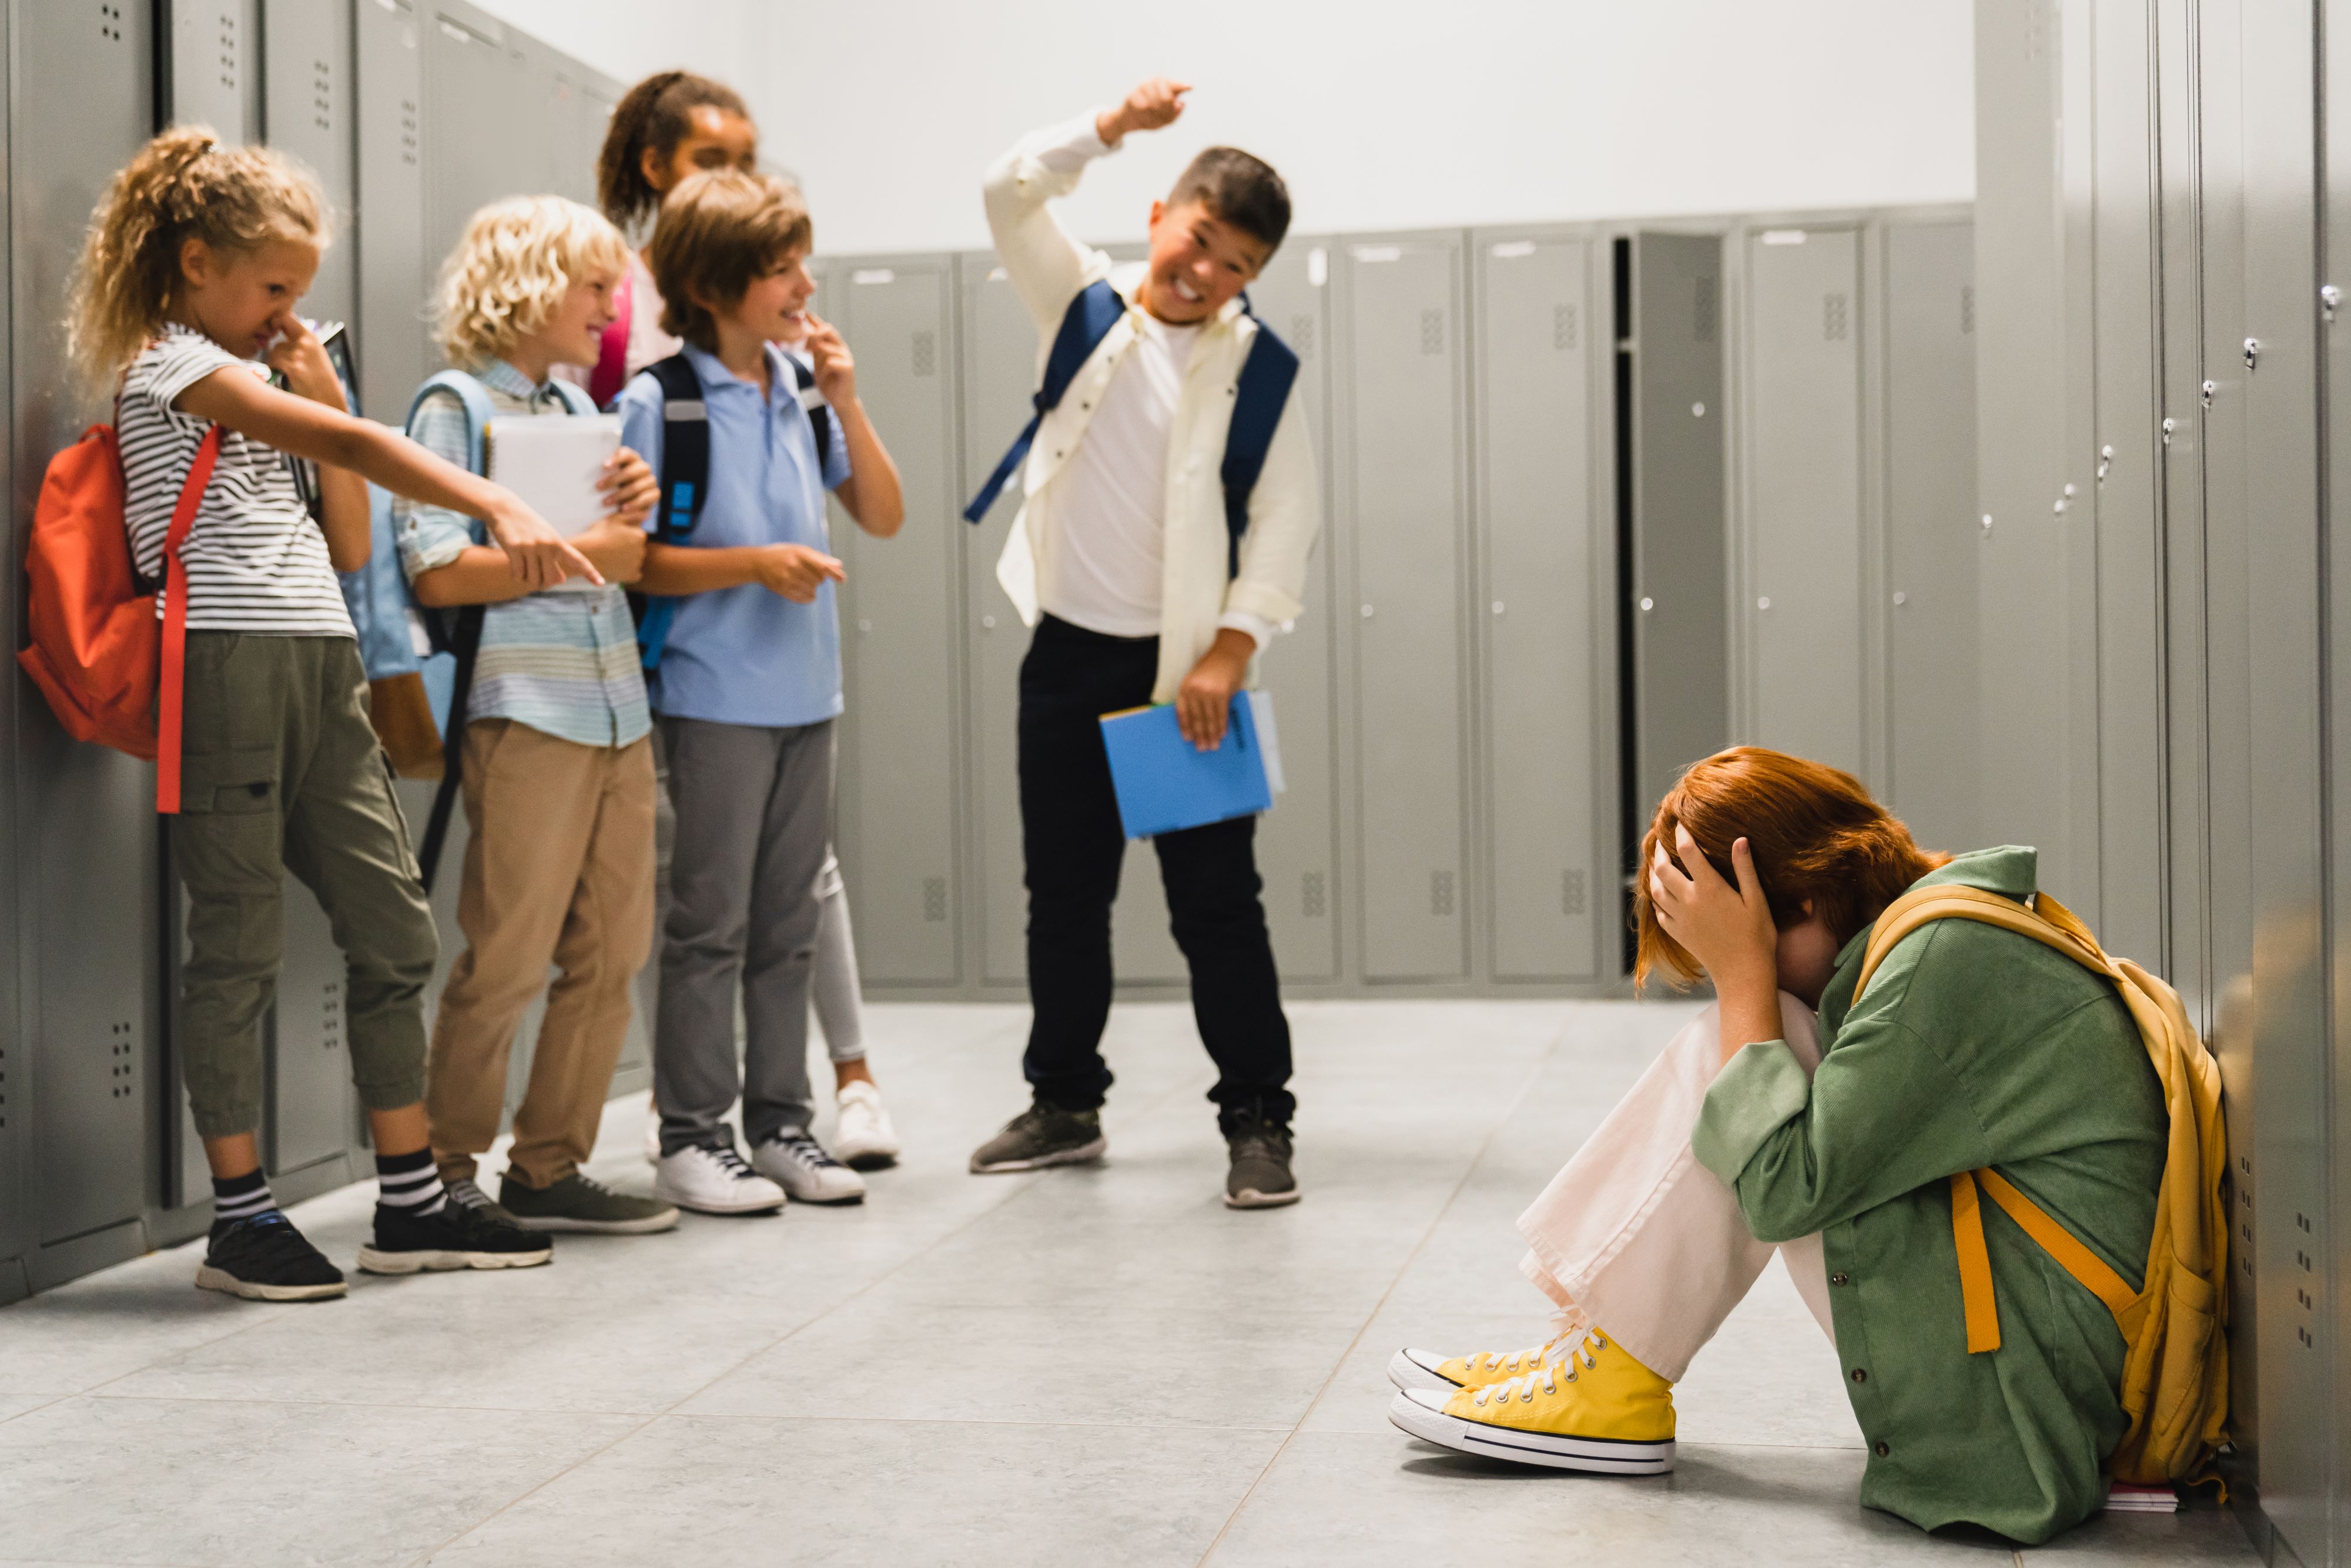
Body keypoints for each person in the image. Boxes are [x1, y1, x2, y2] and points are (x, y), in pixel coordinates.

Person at [1385, 748, 2169, 1545]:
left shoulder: (1943, 967)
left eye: (1753, 941)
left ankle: (1612, 1380)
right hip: (2037, 1354)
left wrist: (1745, 981)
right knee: (1757, 1048)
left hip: (2025, 1411)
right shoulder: (1940, 929)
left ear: (1802, 900)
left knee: (1763, 1046)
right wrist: (1751, 978)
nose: (1763, 974)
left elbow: (1782, 1191)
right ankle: (1600, 1353)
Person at [68, 128, 598, 1298]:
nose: (282, 311)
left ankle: (408, 1199)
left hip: (320, 658)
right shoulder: (168, 367)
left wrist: (323, 389)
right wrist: (485, 493)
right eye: (270, 287)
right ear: (195, 262)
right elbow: (353, 443)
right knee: (239, 941)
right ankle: (241, 1216)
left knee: (396, 928)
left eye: (297, 293)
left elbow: (349, 536)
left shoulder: (263, 381)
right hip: (226, 662)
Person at [965, 79, 1321, 1208]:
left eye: (1235, 265)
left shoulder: (1257, 368)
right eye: (1201, 239)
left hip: (1186, 679)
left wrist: (1230, 649)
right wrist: (1105, 131)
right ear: (1163, 210)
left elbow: (1285, 520)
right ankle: (1065, 1102)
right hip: (1067, 657)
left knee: (1218, 909)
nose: (1206, 272)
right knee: (1062, 896)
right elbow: (1009, 192)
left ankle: (1259, 1121)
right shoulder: (1081, 304)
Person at [597, 69, 900, 1170]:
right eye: (783, 270)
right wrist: (753, 564)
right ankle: (692, 1136)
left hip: (806, 698)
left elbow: (884, 511)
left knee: (789, 928)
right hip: (715, 700)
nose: (805, 286)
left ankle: (783, 1130)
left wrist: (852, 399)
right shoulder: (659, 400)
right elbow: (640, 565)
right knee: (709, 928)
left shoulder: (802, 386)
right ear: (721, 285)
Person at [398, 196, 675, 1237]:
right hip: (528, 714)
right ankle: (443, 1170)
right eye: (595, 288)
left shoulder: (573, 417)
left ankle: (549, 1166)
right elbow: (434, 571)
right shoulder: (455, 406)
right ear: (527, 284)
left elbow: (620, 559)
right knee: (507, 955)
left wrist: (626, 517)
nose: (611, 314)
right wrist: (583, 555)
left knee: (613, 951)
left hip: (615, 713)